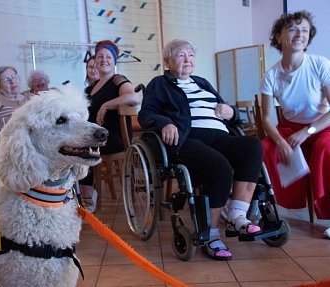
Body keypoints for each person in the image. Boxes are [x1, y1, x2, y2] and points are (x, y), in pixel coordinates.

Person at [138, 39, 263, 260]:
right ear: (167, 61)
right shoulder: (159, 83)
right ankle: (212, 235)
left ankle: (237, 214)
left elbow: (228, 112)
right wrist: (164, 123)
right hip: (187, 138)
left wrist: (231, 112)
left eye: (191, 55)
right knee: (220, 166)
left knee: (252, 146)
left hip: (220, 136)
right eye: (180, 55)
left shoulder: (202, 82)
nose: (187, 59)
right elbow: (146, 114)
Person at [260, 11, 330, 239]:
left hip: (321, 126)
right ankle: (272, 211)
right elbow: (267, 119)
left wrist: (307, 131)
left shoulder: (320, 64)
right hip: (288, 128)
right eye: (292, 29)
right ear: (278, 37)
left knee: (326, 149)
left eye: (304, 31)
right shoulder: (271, 75)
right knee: (265, 148)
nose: (299, 34)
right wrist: (279, 141)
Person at [79, 40, 142, 213]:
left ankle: (87, 198)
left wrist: (107, 105)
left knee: (83, 150)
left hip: (113, 138)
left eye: (108, 57)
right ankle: (86, 196)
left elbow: (135, 98)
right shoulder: (90, 89)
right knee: (73, 148)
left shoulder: (117, 80)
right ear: (95, 61)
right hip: (94, 136)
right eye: (100, 56)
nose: (104, 59)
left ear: (114, 61)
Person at [0, 66, 33, 138]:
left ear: (19, 79)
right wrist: (16, 120)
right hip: (9, 140)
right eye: (6, 79)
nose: (12, 82)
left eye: (14, 76)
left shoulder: (30, 97)